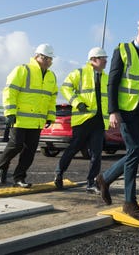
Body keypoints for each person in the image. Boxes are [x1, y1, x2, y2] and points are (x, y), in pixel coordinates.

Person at [95, 14, 139, 221]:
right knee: (134, 150)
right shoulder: (122, 50)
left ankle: (105, 179)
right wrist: (113, 111)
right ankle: (129, 203)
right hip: (126, 111)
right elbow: (112, 82)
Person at [0, 44, 58, 187]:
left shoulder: (51, 76)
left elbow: (51, 98)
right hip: (19, 117)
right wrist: (10, 112)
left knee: (30, 151)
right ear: (37, 56)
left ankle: (19, 178)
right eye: (46, 58)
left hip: (37, 120)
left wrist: (50, 116)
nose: (48, 61)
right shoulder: (23, 69)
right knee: (16, 145)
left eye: (50, 59)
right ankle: (3, 167)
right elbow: (10, 91)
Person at [54, 47, 109, 194]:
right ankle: (59, 173)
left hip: (99, 121)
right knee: (73, 149)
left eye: (105, 58)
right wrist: (77, 102)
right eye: (102, 58)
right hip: (83, 120)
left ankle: (91, 183)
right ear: (93, 60)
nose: (105, 61)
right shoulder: (79, 73)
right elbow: (65, 88)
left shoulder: (106, 77)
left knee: (97, 153)